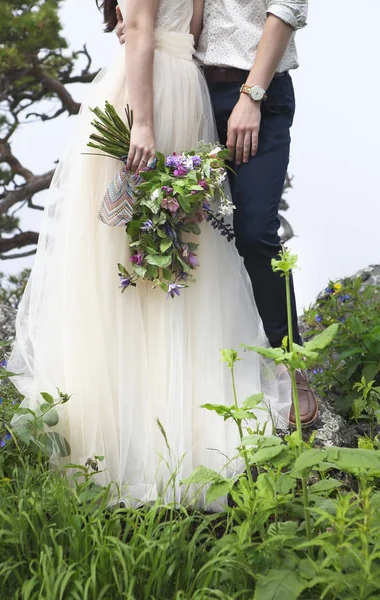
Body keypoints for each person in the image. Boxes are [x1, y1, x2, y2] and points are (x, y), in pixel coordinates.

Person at [8, 0, 292, 508]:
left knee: (182, 258)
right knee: (129, 257)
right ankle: (117, 437)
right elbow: (138, 28)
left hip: (186, 93)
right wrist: (141, 123)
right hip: (150, 97)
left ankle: (178, 419)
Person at [116, 0, 319, 427]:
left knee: (254, 229)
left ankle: (290, 361)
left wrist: (252, 97)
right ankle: (177, 375)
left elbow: (285, 11)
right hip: (191, 90)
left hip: (257, 93)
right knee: (178, 231)